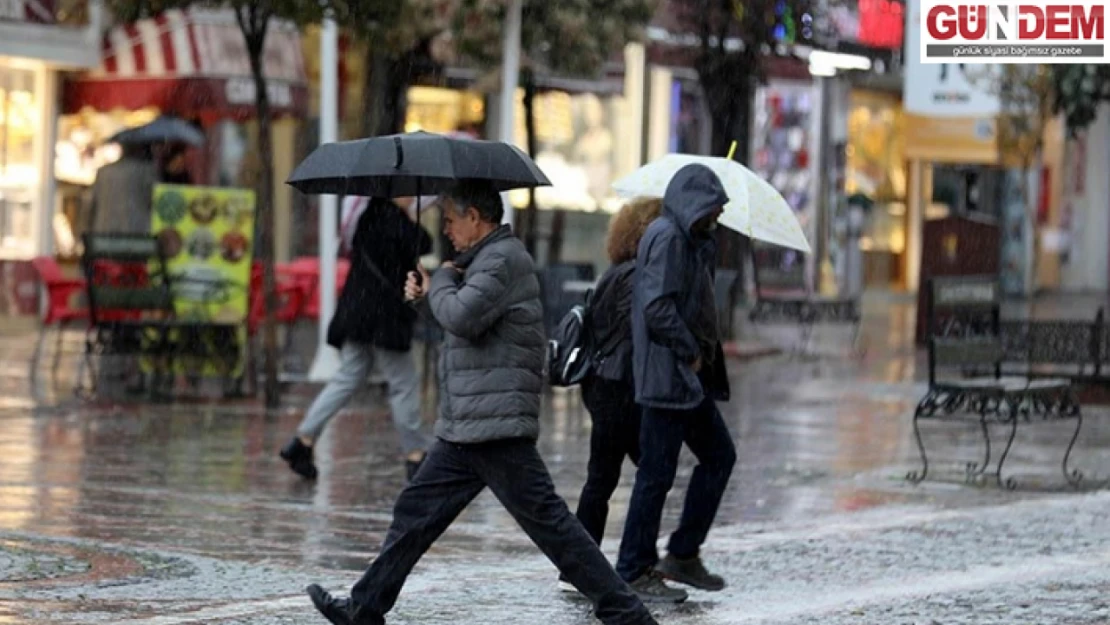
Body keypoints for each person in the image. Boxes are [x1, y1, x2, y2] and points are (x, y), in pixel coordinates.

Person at [305, 181, 658, 625]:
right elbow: (466, 320)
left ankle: (627, 613)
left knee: (553, 528)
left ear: (475, 217)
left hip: (495, 423)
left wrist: (442, 281)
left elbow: (463, 316)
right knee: (416, 512)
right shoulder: (482, 261)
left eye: (451, 220)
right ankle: (364, 608)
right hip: (469, 422)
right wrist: (432, 293)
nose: (446, 229)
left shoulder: (502, 260)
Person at [615, 163, 737, 599]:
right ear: (693, 204)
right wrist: (689, 351)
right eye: (714, 208)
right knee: (656, 475)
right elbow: (657, 307)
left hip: (686, 380)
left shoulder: (690, 239)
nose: (718, 216)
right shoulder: (668, 237)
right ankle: (633, 567)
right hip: (670, 376)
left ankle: (683, 553)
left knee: (718, 457)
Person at [280, 196, 433, 481]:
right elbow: (424, 242)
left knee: (347, 376)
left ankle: (303, 439)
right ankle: (415, 455)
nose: (412, 196)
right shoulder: (395, 221)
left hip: (357, 312)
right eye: (407, 192)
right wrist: (411, 219)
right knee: (403, 382)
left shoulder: (366, 217)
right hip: (383, 318)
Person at [558, 198, 662, 594]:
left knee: (601, 480)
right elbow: (636, 334)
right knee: (650, 474)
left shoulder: (618, 272)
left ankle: (580, 566)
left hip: (605, 387)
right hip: (622, 390)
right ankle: (634, 563)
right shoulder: (636, 277)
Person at [87, 142, 158, 234]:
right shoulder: (147, 171)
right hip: (137, 232)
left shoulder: (103, 172)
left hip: (103, 231)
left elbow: (92, 204)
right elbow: (154, 200)